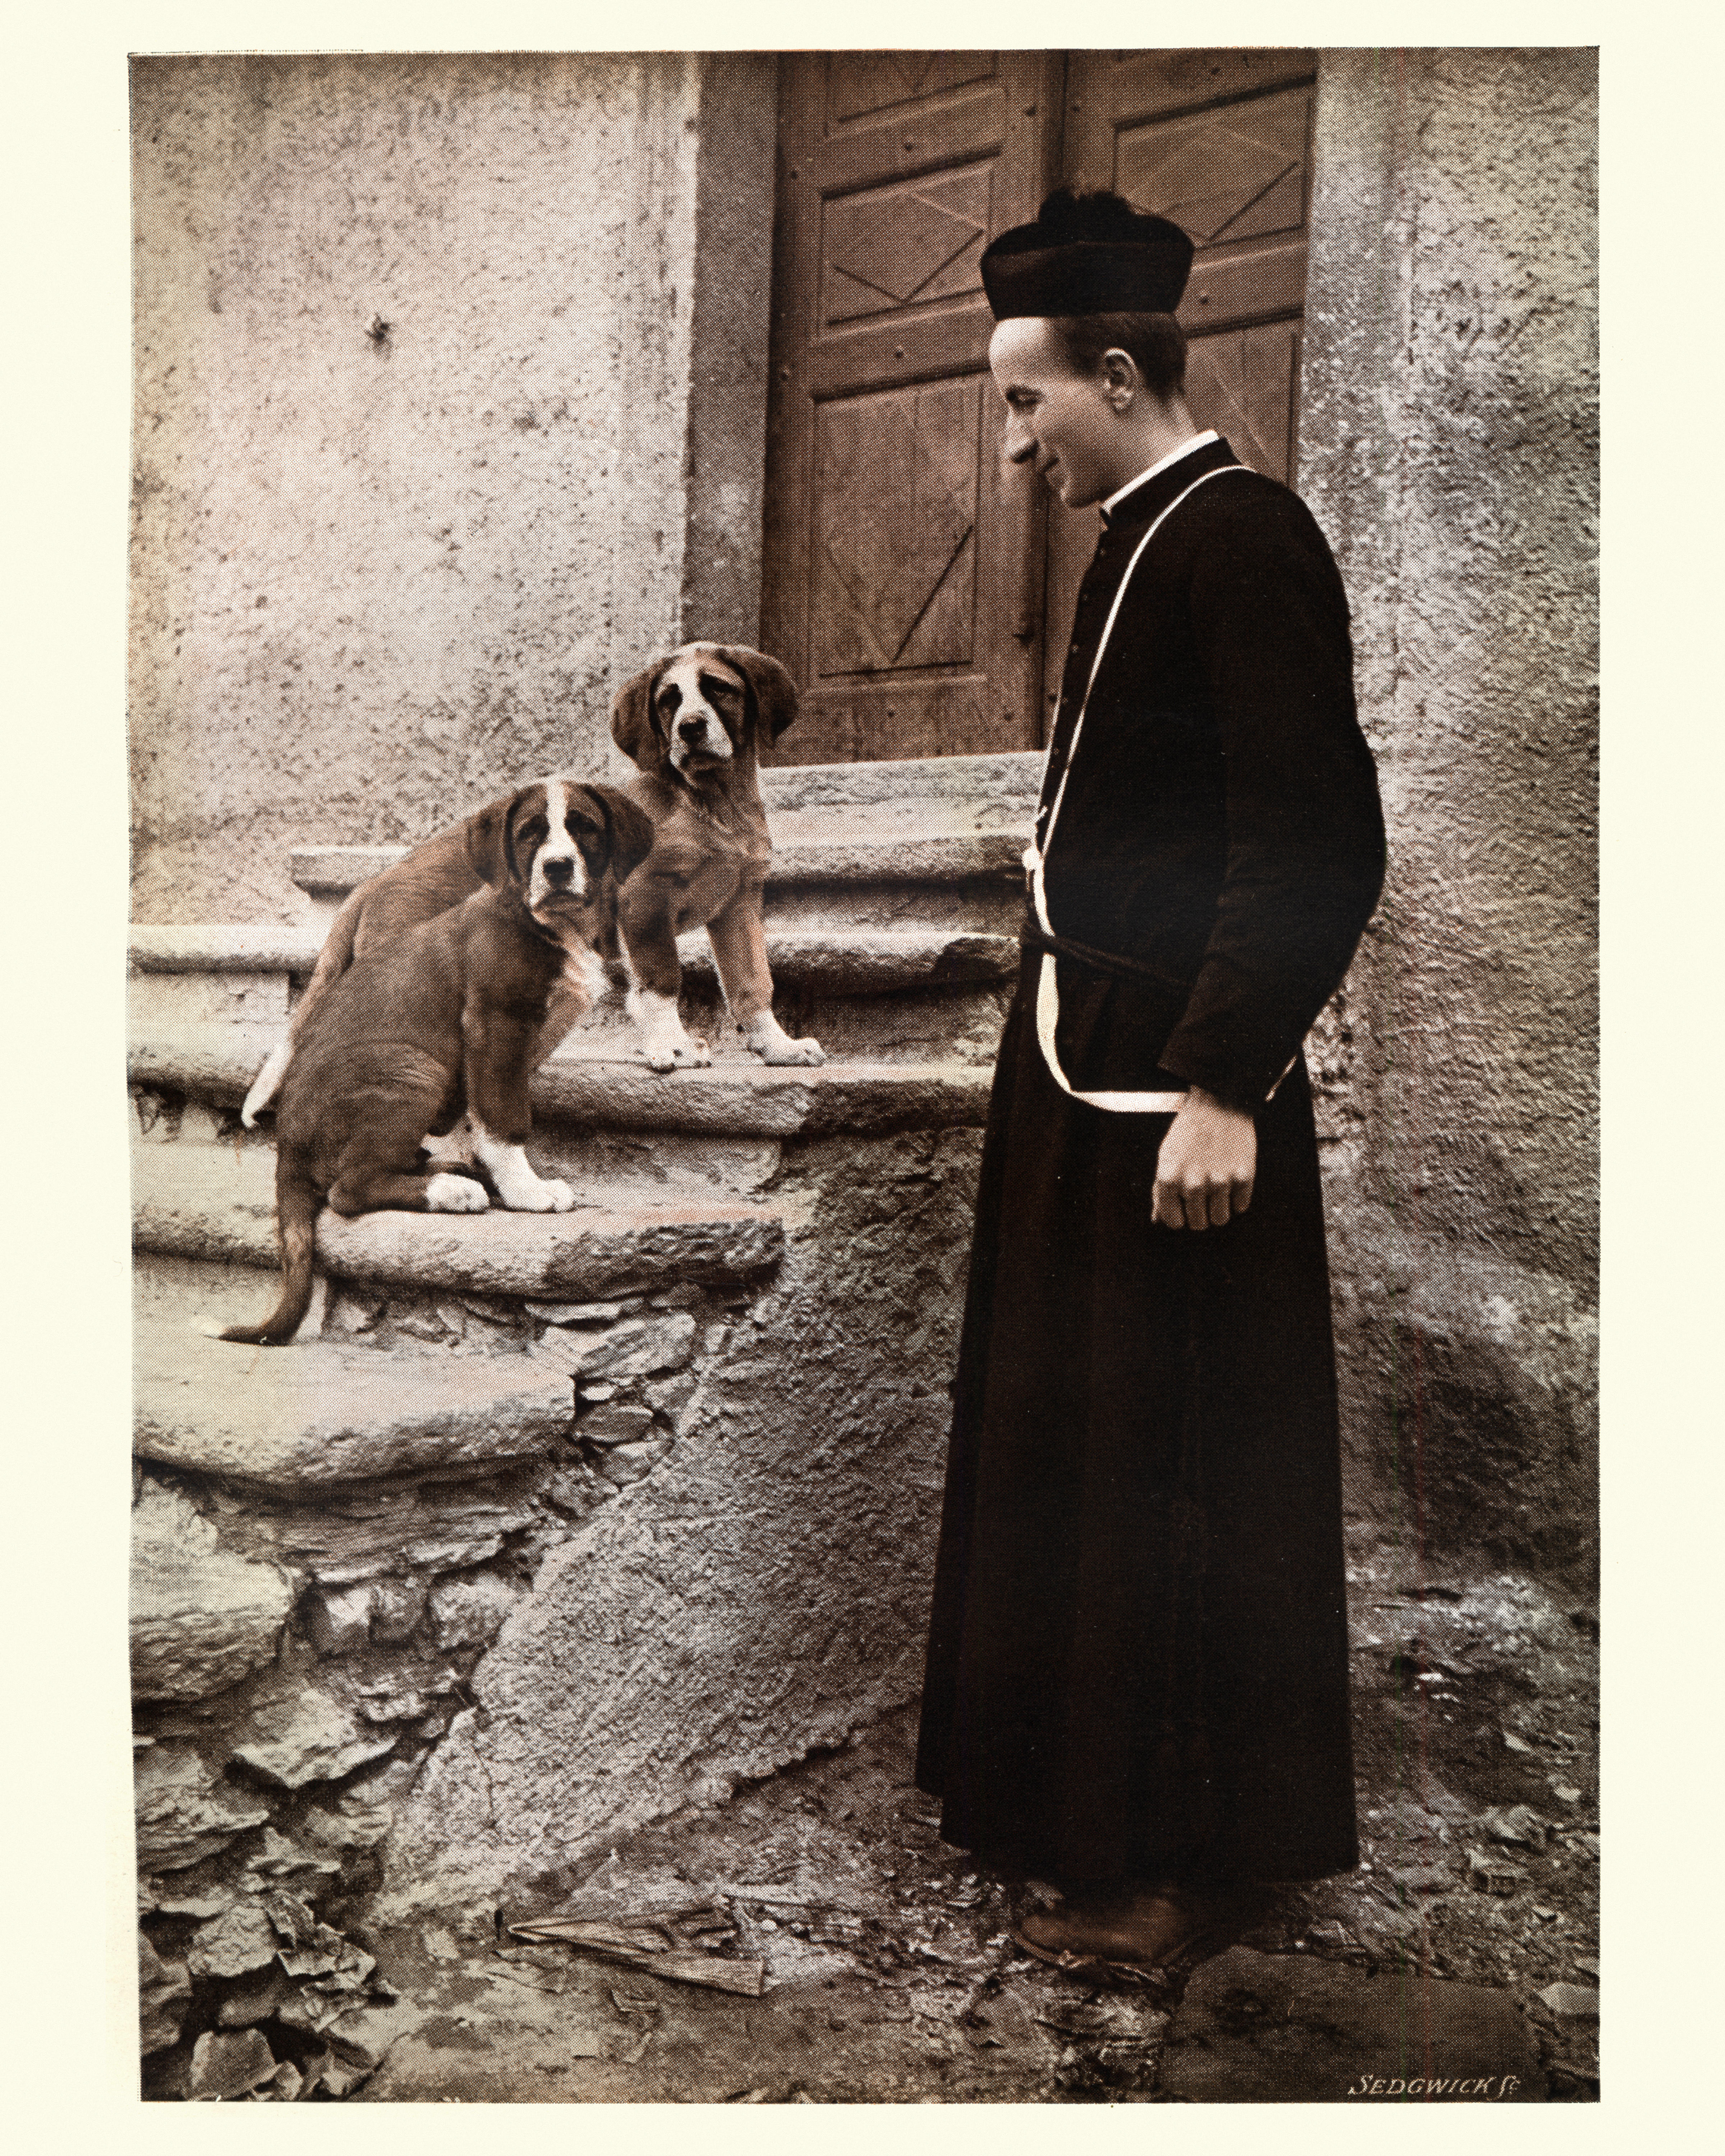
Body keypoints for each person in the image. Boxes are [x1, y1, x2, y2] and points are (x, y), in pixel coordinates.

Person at [914, 188, 1386, 1979]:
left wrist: (1220, 1085)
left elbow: (1315, 840)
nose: (1012, 443)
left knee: (1178, 1462)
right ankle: (1078, 1812)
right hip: (1083, 1066)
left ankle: (1180, 1860)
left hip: (1175, 1085)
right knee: (1084, 1454)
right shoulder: (1136, 533)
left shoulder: (1245, 539)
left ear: (1117, 372)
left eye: (1026, 403)